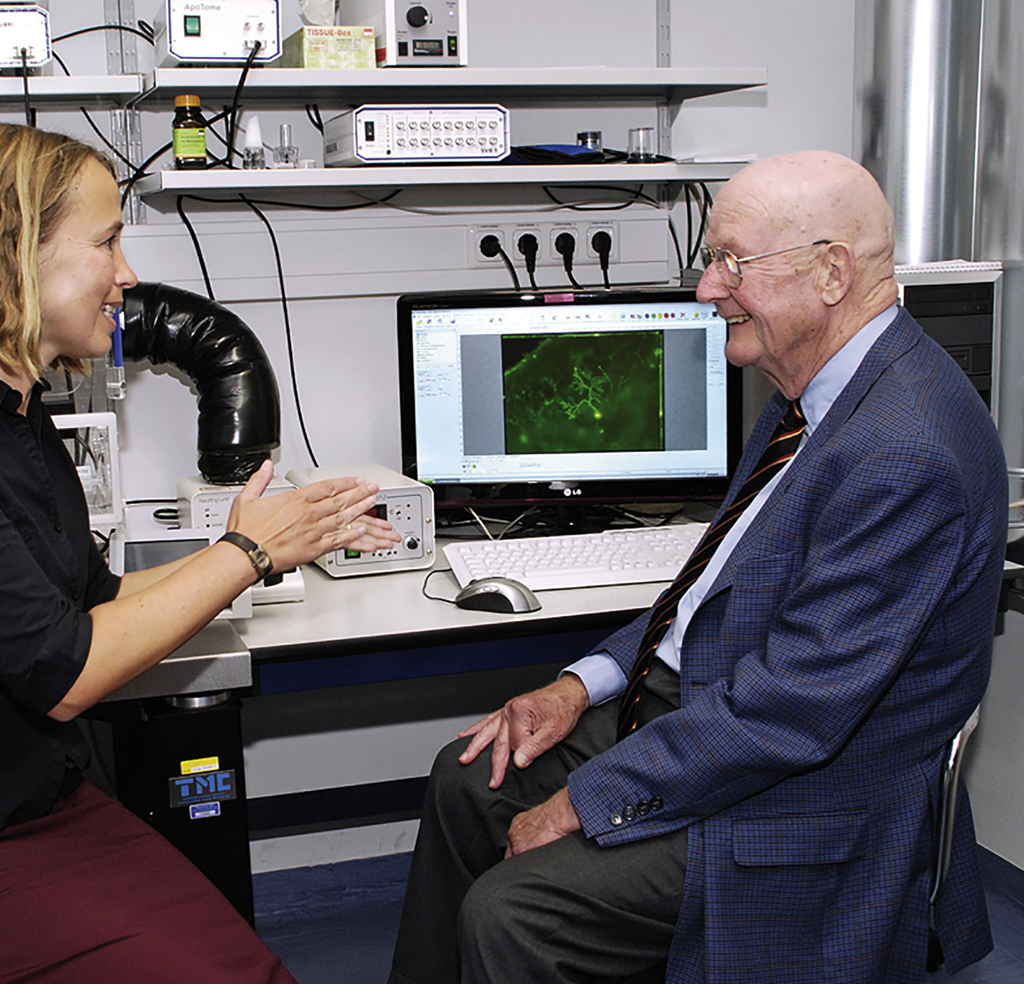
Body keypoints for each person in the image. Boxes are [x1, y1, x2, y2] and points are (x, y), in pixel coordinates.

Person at [0, 121, 397, 983]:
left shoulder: (18, 415)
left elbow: (93, 599)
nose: (127, 276)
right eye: (107, 241)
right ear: (10, 253)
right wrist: (247, 556)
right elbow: (64, 670)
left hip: (33, 807)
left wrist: (264, 541)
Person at [389, 151, 1007, 984]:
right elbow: (712, 592)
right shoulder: (815, 397)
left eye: (730, 263)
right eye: (710, 260)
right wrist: (579, 685)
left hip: (809, 798)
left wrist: (582, 804)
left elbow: (790, 714)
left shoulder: (902, 448)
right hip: (725, 706)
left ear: (830, 272)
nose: (706, 290)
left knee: (515, 913)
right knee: (467, 781)